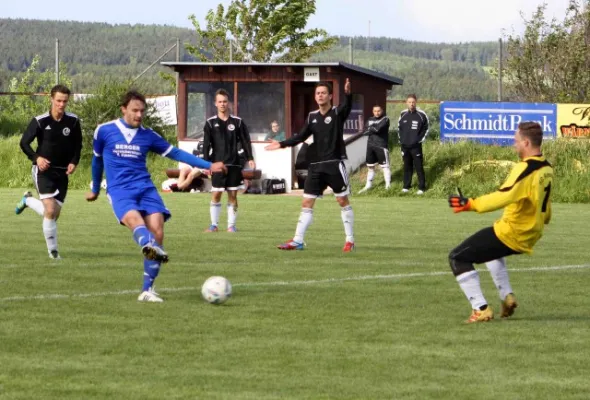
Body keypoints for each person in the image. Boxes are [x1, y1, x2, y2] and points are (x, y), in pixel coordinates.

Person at [85, 90, 225, 303]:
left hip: (145, 188)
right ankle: (148, 246)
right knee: (136, 222)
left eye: (142, 111)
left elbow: (176, 153)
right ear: (123, 109)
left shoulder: (148, 135)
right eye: (134, 110)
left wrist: (208, 165)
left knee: (158, 232)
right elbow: (97, 161)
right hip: (120, 189)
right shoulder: (104, 131)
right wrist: (95, 188)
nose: (139, 114)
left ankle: (147, 290)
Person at [447, 122, 553, 323]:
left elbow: (504, 196)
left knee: (457, 257)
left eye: (516, 142)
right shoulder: (547, 167)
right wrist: (544, 219)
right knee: (491, 251)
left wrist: (471, 204)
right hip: (531, 233)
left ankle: (481, 308)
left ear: (526, 142)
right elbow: (545, 205)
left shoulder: (525, 169)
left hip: (513, 232)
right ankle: (507, 296)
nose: (514, 146)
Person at [265, 79, 355, 252]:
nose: (320, 95)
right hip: (315, 167)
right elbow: (300, 136)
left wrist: (348, 94)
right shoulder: (312, 116)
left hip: (334, 165)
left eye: (323, 93)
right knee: (306, 202)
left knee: (342, 200)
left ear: (330, 96)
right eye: (317, 93)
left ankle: (349, 240)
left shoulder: (337, 113)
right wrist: (282, 144)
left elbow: (347, 105)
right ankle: (298, 240)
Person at [15, 84, 82, 260]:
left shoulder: (73, 121)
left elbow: (78, 145)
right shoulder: (40, 121)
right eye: (58, 100)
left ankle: (28, 201)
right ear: (51, 99)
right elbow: (24, 143)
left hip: (62, 173)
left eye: (65, 101)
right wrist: (37, 158)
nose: (61, 104)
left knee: (53, 215)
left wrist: (74, 162)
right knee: (50, 210)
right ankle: (53, 253)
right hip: (43, 171)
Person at [203, 88, 255, 232]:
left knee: (233, 195)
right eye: (220, 102)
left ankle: (231, 226)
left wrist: (250, 157)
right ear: (215, 104)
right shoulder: (210, 123)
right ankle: (214, 225)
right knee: (216, 193)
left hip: (234, 164)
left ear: (229, 103)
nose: (222, 104)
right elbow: (206, 145)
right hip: (217, 165)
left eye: (225, 101)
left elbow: (245, 141)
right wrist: (207, 164)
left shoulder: (238, 122)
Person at [398, 94, 429, 194]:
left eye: (413, 102)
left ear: (416, 102)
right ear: (406, 103)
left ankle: (421, 187)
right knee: (407, 166)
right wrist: (401, 140)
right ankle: (406, 186)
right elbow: (399, 128)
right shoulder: (403, 114)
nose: (411, 104)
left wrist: (418, 140)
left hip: (416, 146)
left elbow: (426, 128)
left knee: (419, 166)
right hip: (404, 146)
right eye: (409, 102)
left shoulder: (421, 115)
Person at [359, 105, 391, 193]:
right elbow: (364, 131)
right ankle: (368, 186)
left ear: (382, 111)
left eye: (379, 111)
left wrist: (371, 128)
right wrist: (372, 128)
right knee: (370, 166)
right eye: (375, 111)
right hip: (370, 145)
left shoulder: (385, 119)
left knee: (385, 167)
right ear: (373, 111)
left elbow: (377, 129)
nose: (377, 113)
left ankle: (388, 186)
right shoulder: (369, 119)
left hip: (381, 145)